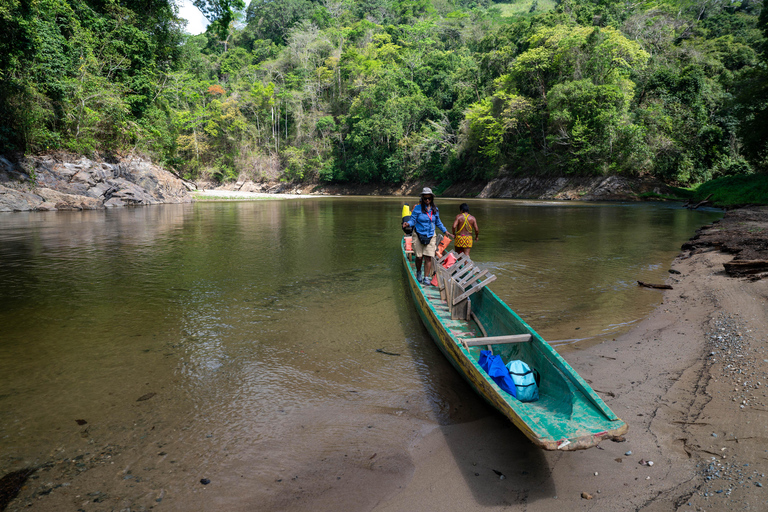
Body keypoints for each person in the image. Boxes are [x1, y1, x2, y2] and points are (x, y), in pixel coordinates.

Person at [403, 188, 451, 285]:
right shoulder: (417, 208)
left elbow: (438, 222)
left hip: (430, 235)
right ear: (422, 198)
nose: (427, 200)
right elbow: (413, 220)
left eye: (429, 198)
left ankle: (426, 277)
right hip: (418, 234)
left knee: (428, 257)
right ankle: (419, 272)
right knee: (419, 257)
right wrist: (408, 224)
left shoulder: (435, 209)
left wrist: (445, 231)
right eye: (425, 198)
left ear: (432, 198)